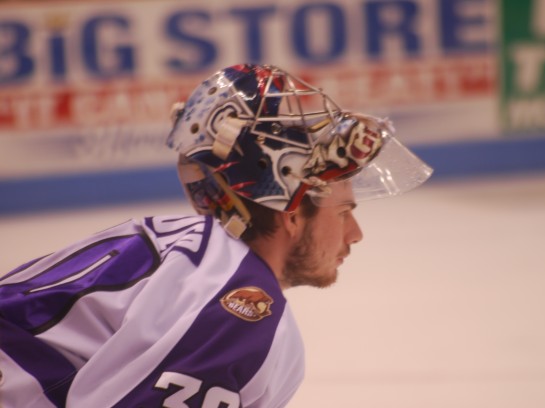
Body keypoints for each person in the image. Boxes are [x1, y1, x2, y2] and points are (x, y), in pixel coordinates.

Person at [0, 64, 432, 407]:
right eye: (345, 212)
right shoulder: (236, 307)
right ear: (291, 214)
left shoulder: (194, 253)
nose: (355, 235)